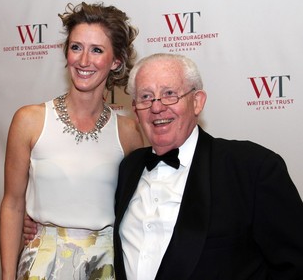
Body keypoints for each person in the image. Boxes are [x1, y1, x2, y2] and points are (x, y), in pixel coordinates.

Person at [113, 53, 303, 280]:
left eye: (169, 94)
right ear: (135, 109)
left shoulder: (252, 168)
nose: (157, 107)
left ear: (197, 101)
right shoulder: (128, 168)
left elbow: (295, 266)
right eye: (146, 97)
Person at [0, 2, 143, 280]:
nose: (84, 60)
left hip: (105, 264)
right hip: (41, 262)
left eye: (97, 50)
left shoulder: (129, 132)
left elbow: (138, 209)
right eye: (76, 47)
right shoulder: (29, 120)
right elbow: (13, 204)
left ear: (115, 62)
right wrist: (7, 276)